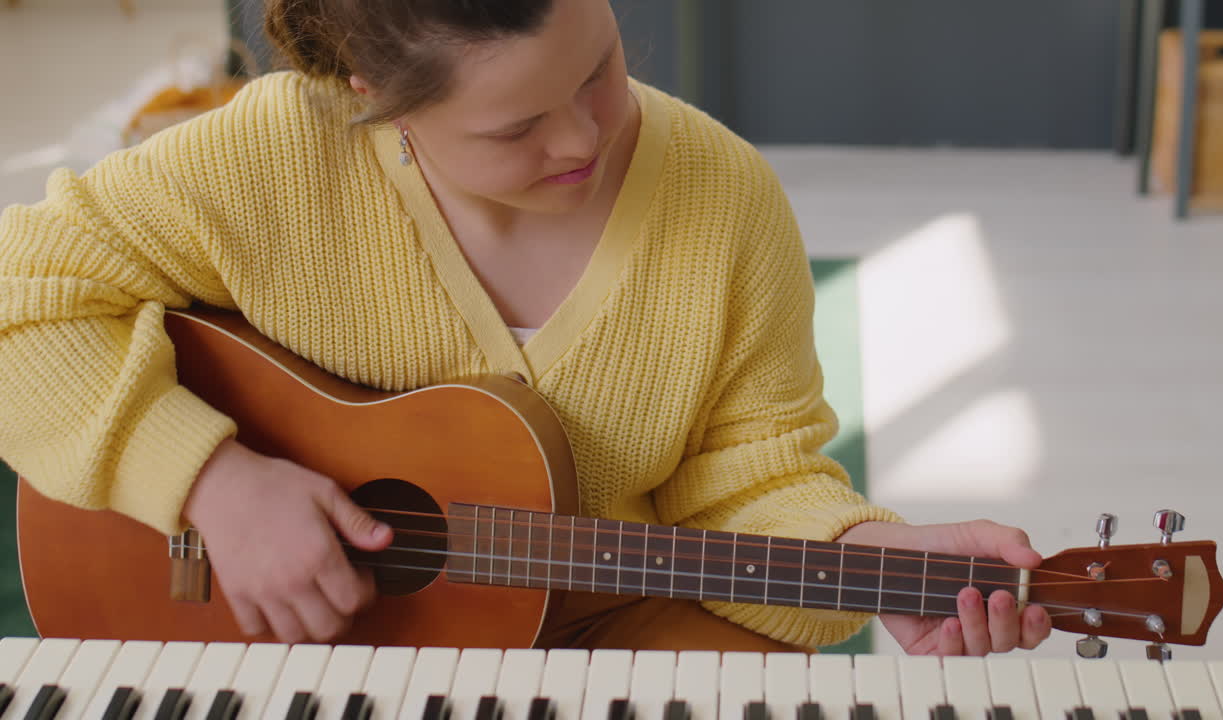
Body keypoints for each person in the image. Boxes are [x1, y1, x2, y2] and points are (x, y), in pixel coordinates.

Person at [0, 0, 1051, 655]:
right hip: (316, 641)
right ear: (376, 99)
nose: (587, 133)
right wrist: (210, 482)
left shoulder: (724, 196)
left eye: (596, 65)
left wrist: (876, 557)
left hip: (617, 616)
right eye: (514, 126)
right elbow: (19, 302)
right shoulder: (274, 155)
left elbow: (751, 476)